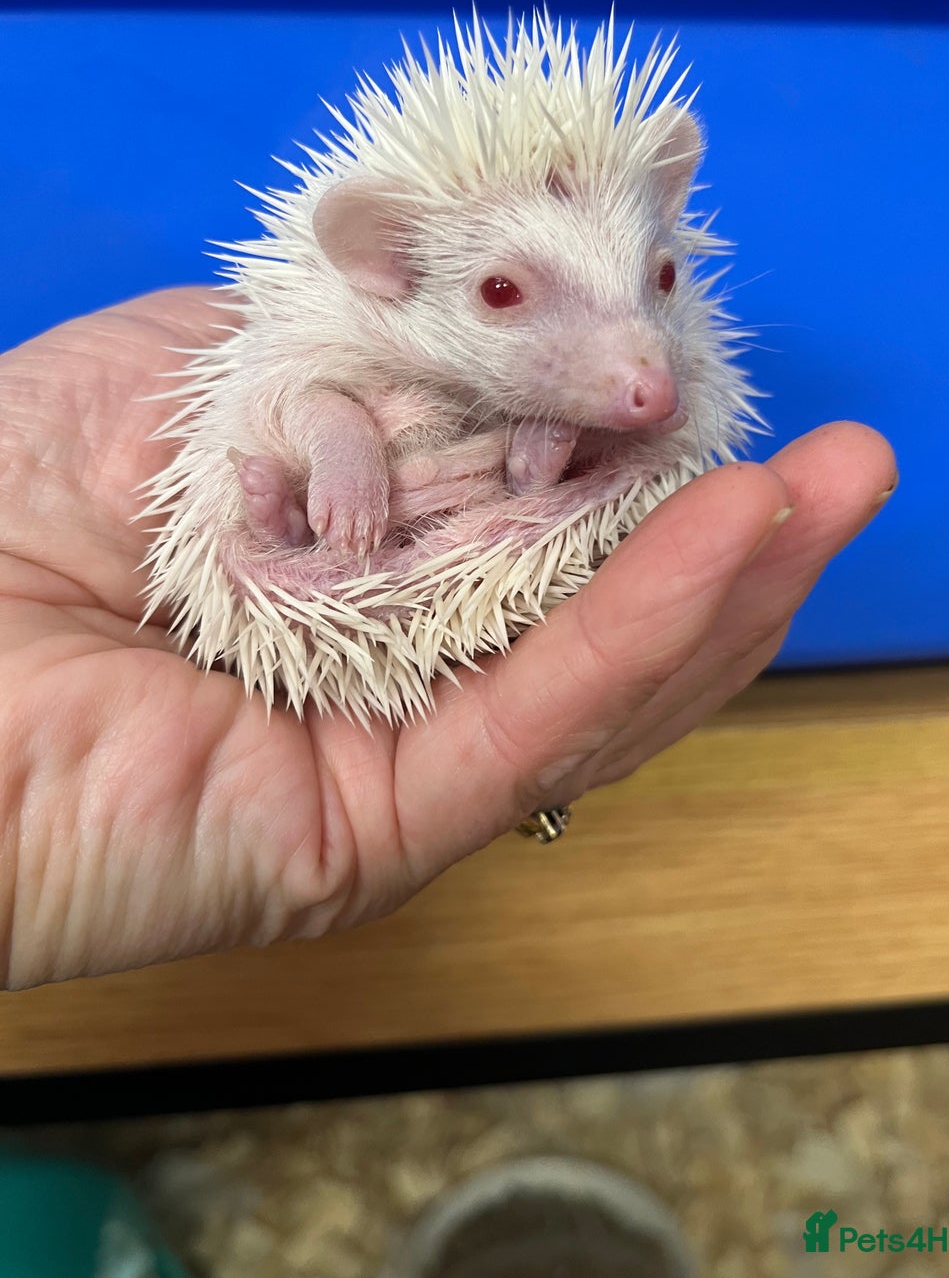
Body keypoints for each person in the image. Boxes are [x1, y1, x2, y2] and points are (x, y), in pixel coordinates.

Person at [0, 288, 896, 991]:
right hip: (349, 541)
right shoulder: (331, 333)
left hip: (482, 531)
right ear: (383, 257)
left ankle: (501, 489)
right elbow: (294, 399)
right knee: (302, 453)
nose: (646, 371)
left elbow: (657, 412)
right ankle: (314, 534)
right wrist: (348, 442)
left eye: (653, 279)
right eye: (505, 291)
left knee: (610, 481)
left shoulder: (651, 362)